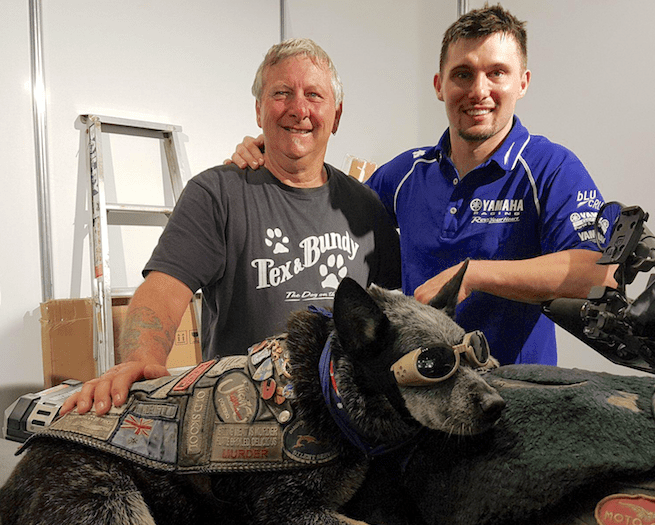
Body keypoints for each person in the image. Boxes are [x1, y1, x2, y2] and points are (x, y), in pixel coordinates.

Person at [228, 5, 617, 367]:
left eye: (497, 73)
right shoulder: (406, 174)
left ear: (523, 83)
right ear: (439, 85)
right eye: (462, 74)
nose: (478, 90)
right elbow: (322, 205)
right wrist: (277, 153)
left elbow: (601, 274)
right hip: (419, 395)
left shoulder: (551, 168)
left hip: (516, 398)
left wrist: (473, 275)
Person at [65, 38, 401, 416]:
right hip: (242, 419)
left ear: (336, 116)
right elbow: (164, 291)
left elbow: (397, 313)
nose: (298, 109)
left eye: (314, 95)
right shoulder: (216, 194)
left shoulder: (366, 208)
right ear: (259, 110)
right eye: (282, 93)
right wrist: (141, 358)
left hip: (343, 420)